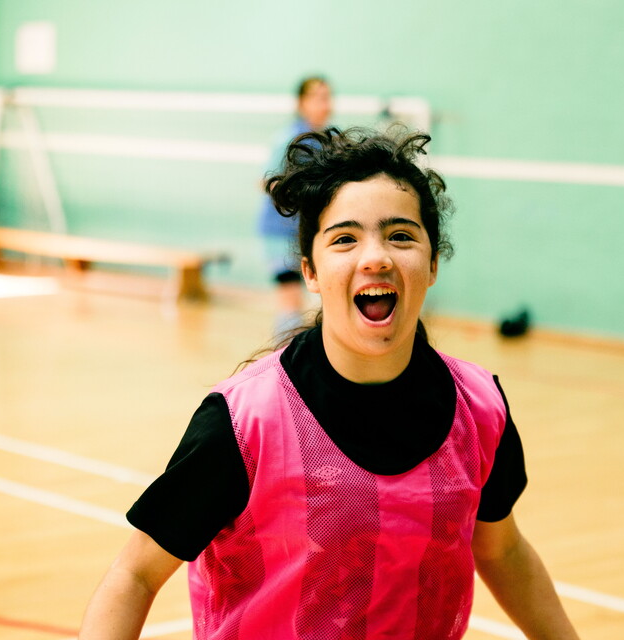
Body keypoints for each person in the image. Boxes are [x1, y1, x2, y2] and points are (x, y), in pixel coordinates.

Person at [78, 127, 581, 640]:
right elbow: (134, 574)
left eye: (401, 235)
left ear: (431, 264)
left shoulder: (480, 409)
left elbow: (503, 549)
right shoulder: (244, 423)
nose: (376, 257)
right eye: (344, 238)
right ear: (311, 272)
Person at [258, 76, 334, 333]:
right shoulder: (289, 139)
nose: (324, 104)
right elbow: (266, 181)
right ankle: (284, 359)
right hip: (281, 231)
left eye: (327, 97)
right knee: (290, 300)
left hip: (312, 231)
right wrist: (295, 198)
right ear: (302, 103)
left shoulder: (329, 139)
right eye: (317, 97)